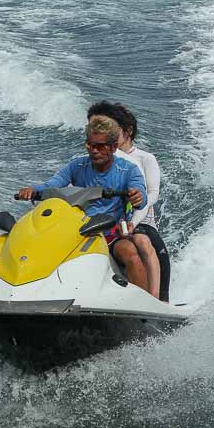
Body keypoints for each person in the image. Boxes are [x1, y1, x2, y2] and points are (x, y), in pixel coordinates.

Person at [16, 116, 149, 291]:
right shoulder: (76, 166)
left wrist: (137, 196)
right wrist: (32, 191)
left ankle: (140, 306)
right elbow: (52, 185)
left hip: (109, 236)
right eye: (90, 145)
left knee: (130, 253)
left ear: (114, 147)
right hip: (76, 233)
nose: (93, 150)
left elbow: (140, 193)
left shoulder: (128, 170)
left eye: (100, 146)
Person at [86, 100, 170, 302]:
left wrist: (133, 222)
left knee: (142, 240)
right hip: (106, 221)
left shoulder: (144, 158)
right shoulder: (94, 159)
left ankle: (158, 300)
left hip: (140, 221)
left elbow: (152, 195)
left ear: (127, 131)